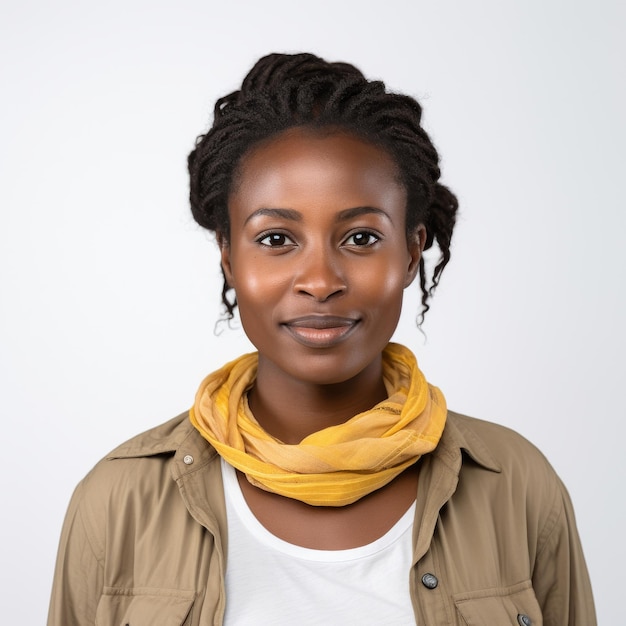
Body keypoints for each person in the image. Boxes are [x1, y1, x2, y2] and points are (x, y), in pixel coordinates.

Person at [48, 53, 596, 625]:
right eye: (277, 238)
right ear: (228, 256)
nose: (320, 281)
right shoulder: (117, 501)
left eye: (360, 237)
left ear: (411, 252)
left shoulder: (517, 486)